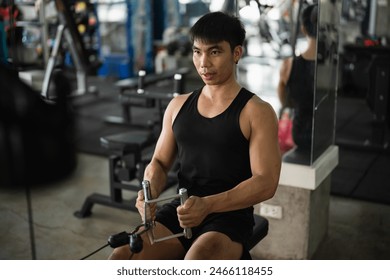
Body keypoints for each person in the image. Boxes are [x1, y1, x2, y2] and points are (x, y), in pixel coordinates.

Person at [109, 11, 281, 260]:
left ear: (236, 53)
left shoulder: (257, 111)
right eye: (197, 52)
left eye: (214, 52)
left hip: (229, 216)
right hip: (182, 210)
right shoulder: (177, 105)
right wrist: (149, 194)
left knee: (196, 261)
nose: (203, 63)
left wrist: (208, 205)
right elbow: (158, 162)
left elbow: (266, 182)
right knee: (121, 256)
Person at [277, 3, 318, 154]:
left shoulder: (288, 64)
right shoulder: (332, 67)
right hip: (323, 135)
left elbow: (284, 101)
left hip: (299, 133)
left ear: (303, 28)